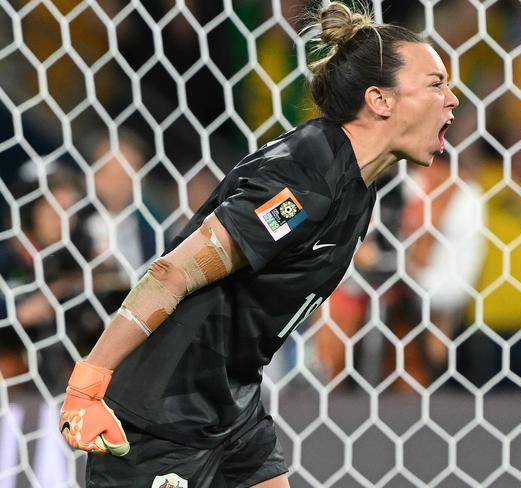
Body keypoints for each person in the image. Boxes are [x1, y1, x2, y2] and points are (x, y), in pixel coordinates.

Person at [58, 2, 458, 487]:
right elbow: (174, 271)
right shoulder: (305, 179)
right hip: (162, 416)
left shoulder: (358, 181)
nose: (452, 98)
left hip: (230, 406)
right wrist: (88, 383)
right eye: (436, 84)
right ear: (380, 100)